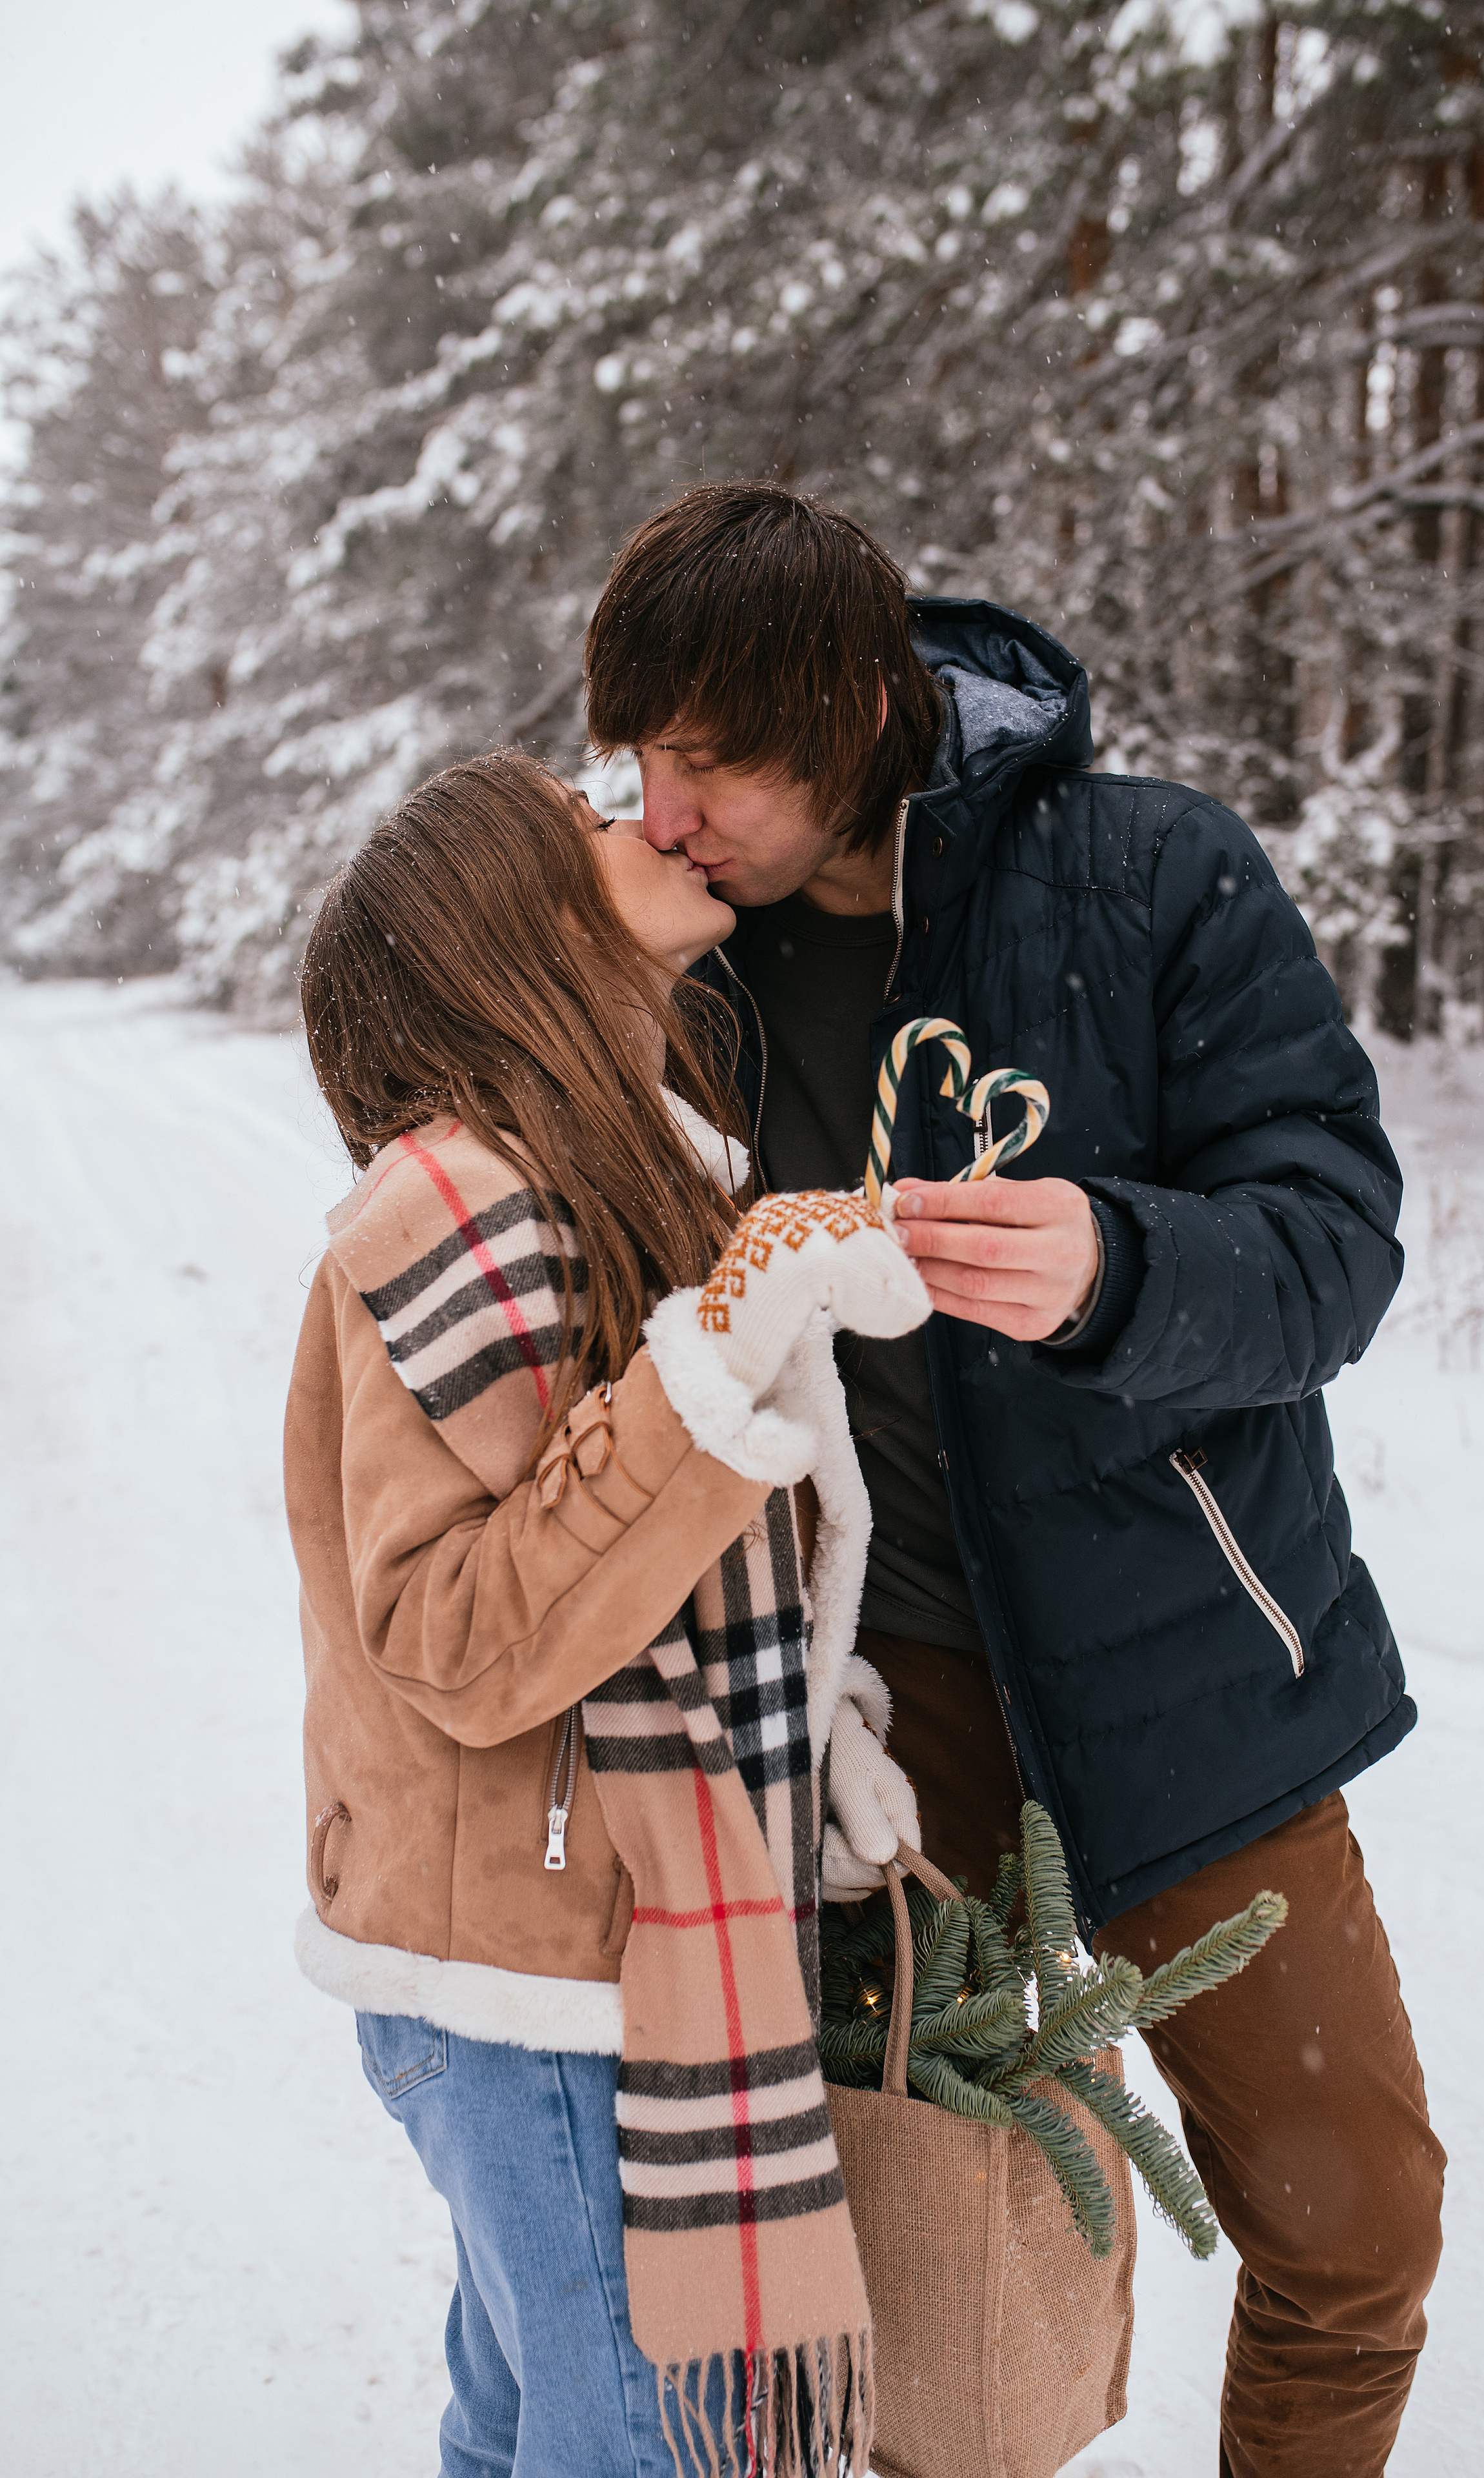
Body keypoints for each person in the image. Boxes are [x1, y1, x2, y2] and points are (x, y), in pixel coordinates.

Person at [583, 485, 1448, 2478]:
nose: (664, 810)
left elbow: (1337, 1242)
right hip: (877, 1716)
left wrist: (1120, 1268)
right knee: (898, 2267)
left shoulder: (1151, 872)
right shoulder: (681, 964)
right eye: (640, 760)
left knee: (1356, 2236)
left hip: (1178, 1668)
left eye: (704, 761)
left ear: (841, 712)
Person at [285, 747, 929, 2478]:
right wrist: (722, 1346)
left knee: (536, 2431)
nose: (635, 815)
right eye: (583, 821)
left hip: (591, 1958)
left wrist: (806, 1732)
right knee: (640, 2449)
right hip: (543, 1989)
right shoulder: (456, 1209)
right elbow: (464, 1635)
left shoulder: (616, 1176)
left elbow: (654, 1575)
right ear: (519, 924)